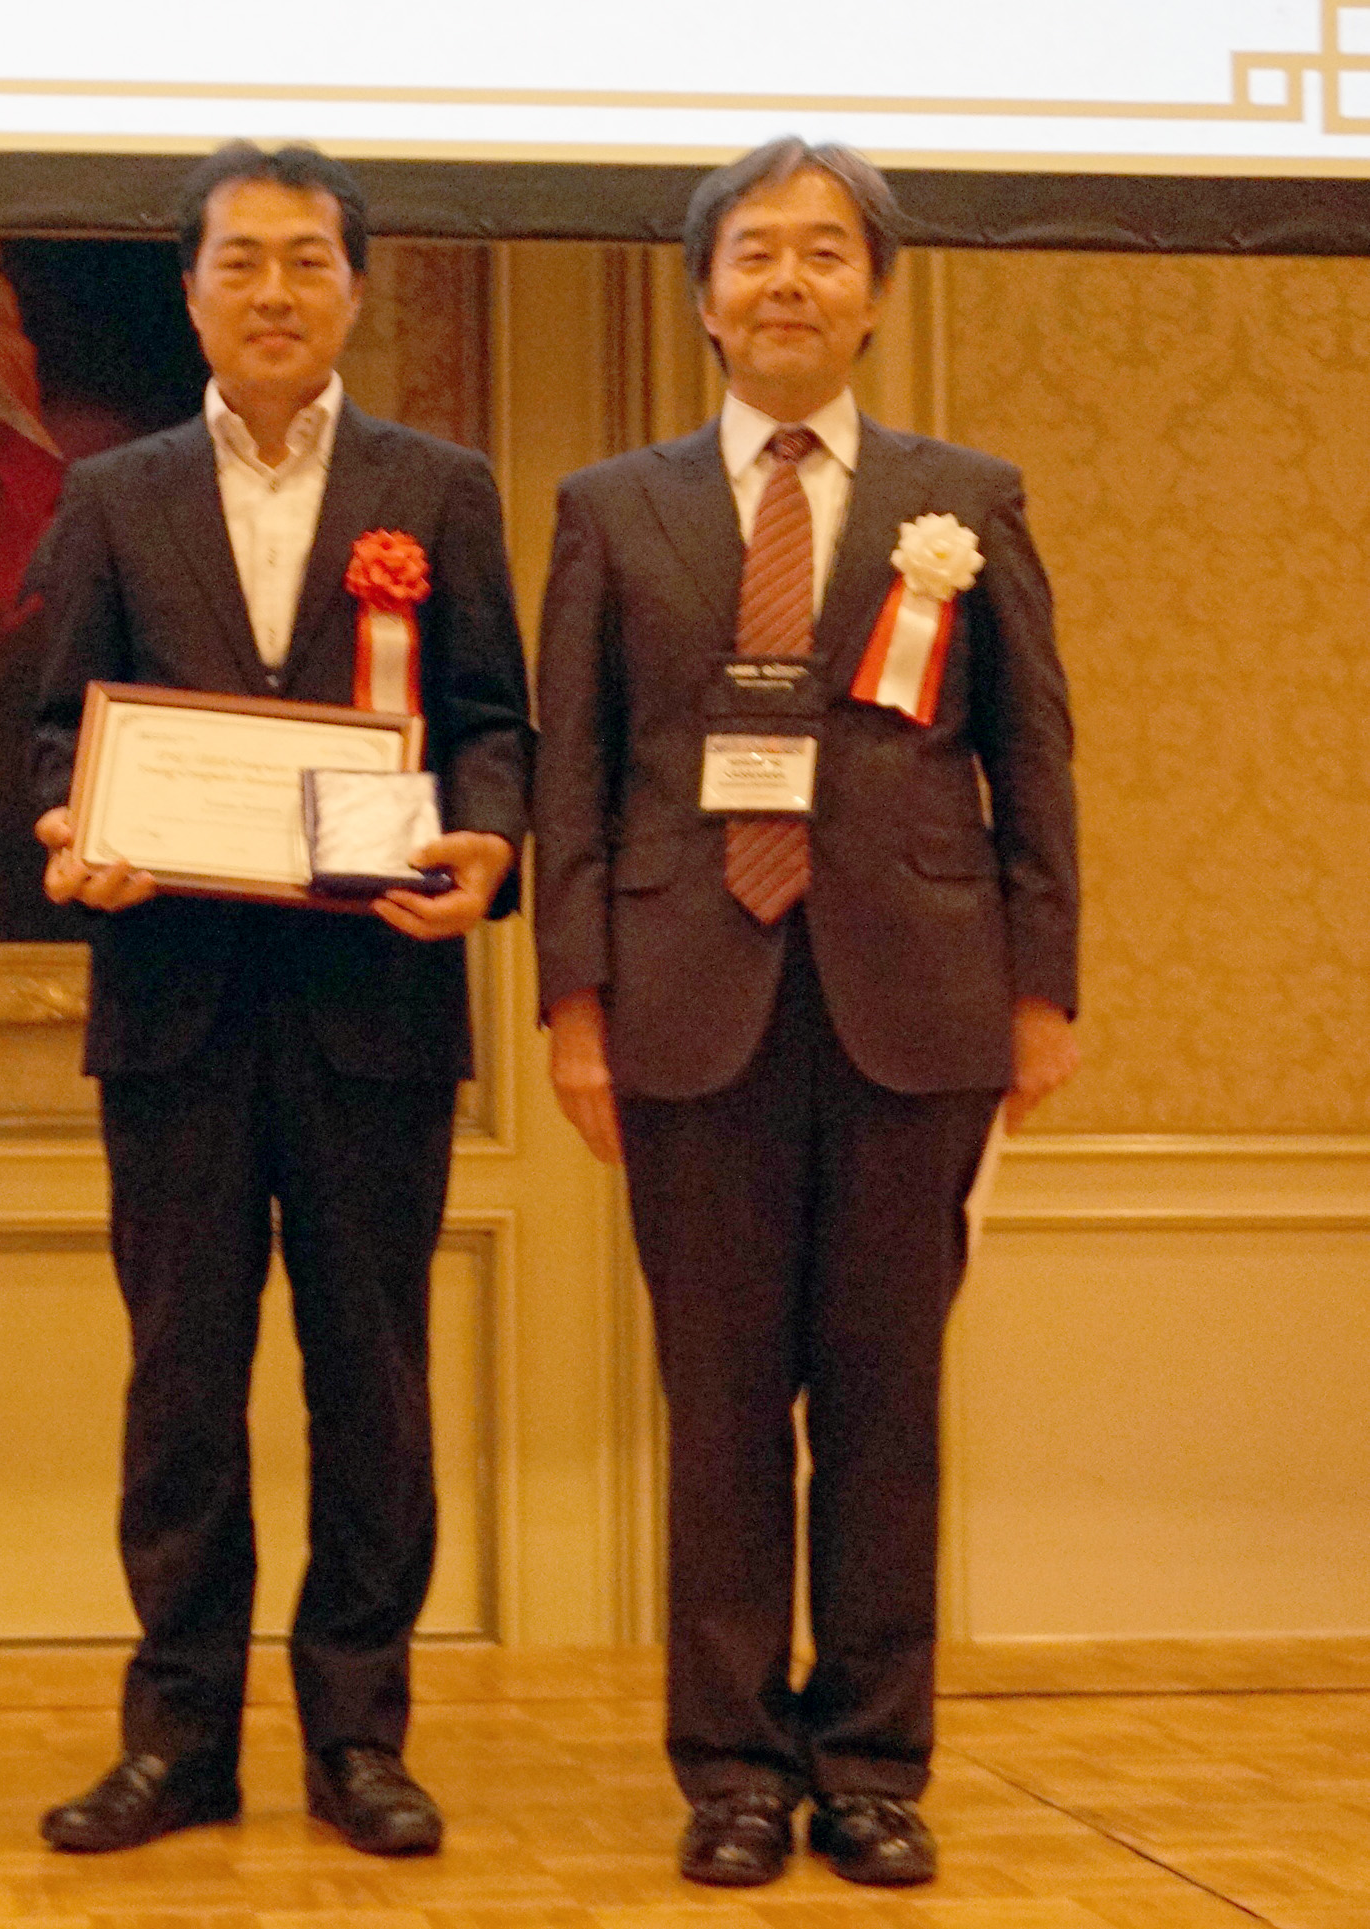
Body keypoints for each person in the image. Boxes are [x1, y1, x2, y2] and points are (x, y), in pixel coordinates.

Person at [532, 137, 1079, 1890]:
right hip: (688, 1003)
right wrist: (572, 1003)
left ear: (874, 295)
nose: (787, 278)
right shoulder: (610, 509)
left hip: (917, 1006)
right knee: (716, 1410)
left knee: (882, 1407)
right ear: (702, 297)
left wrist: (1042, 989)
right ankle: (729, 1771)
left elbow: (1033, 758)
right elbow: (572, 776)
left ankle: (869, 1763)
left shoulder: (963, 498)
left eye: (825, 250)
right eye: (754, 250)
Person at [31, 141, 533, 1858]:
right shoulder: (113, 492)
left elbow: (491, 721)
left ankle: (359, 1735)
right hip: (171, 1007)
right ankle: (175, 1738)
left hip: (372, 1006)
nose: (271, 291)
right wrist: (72, 827)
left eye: (304, 261)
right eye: (237, 260)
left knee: (369, 1383)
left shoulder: (436, 486)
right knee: (179, 1387)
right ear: (189, 291)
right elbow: (55, 729)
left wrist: (488, 844)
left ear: (354, 291)